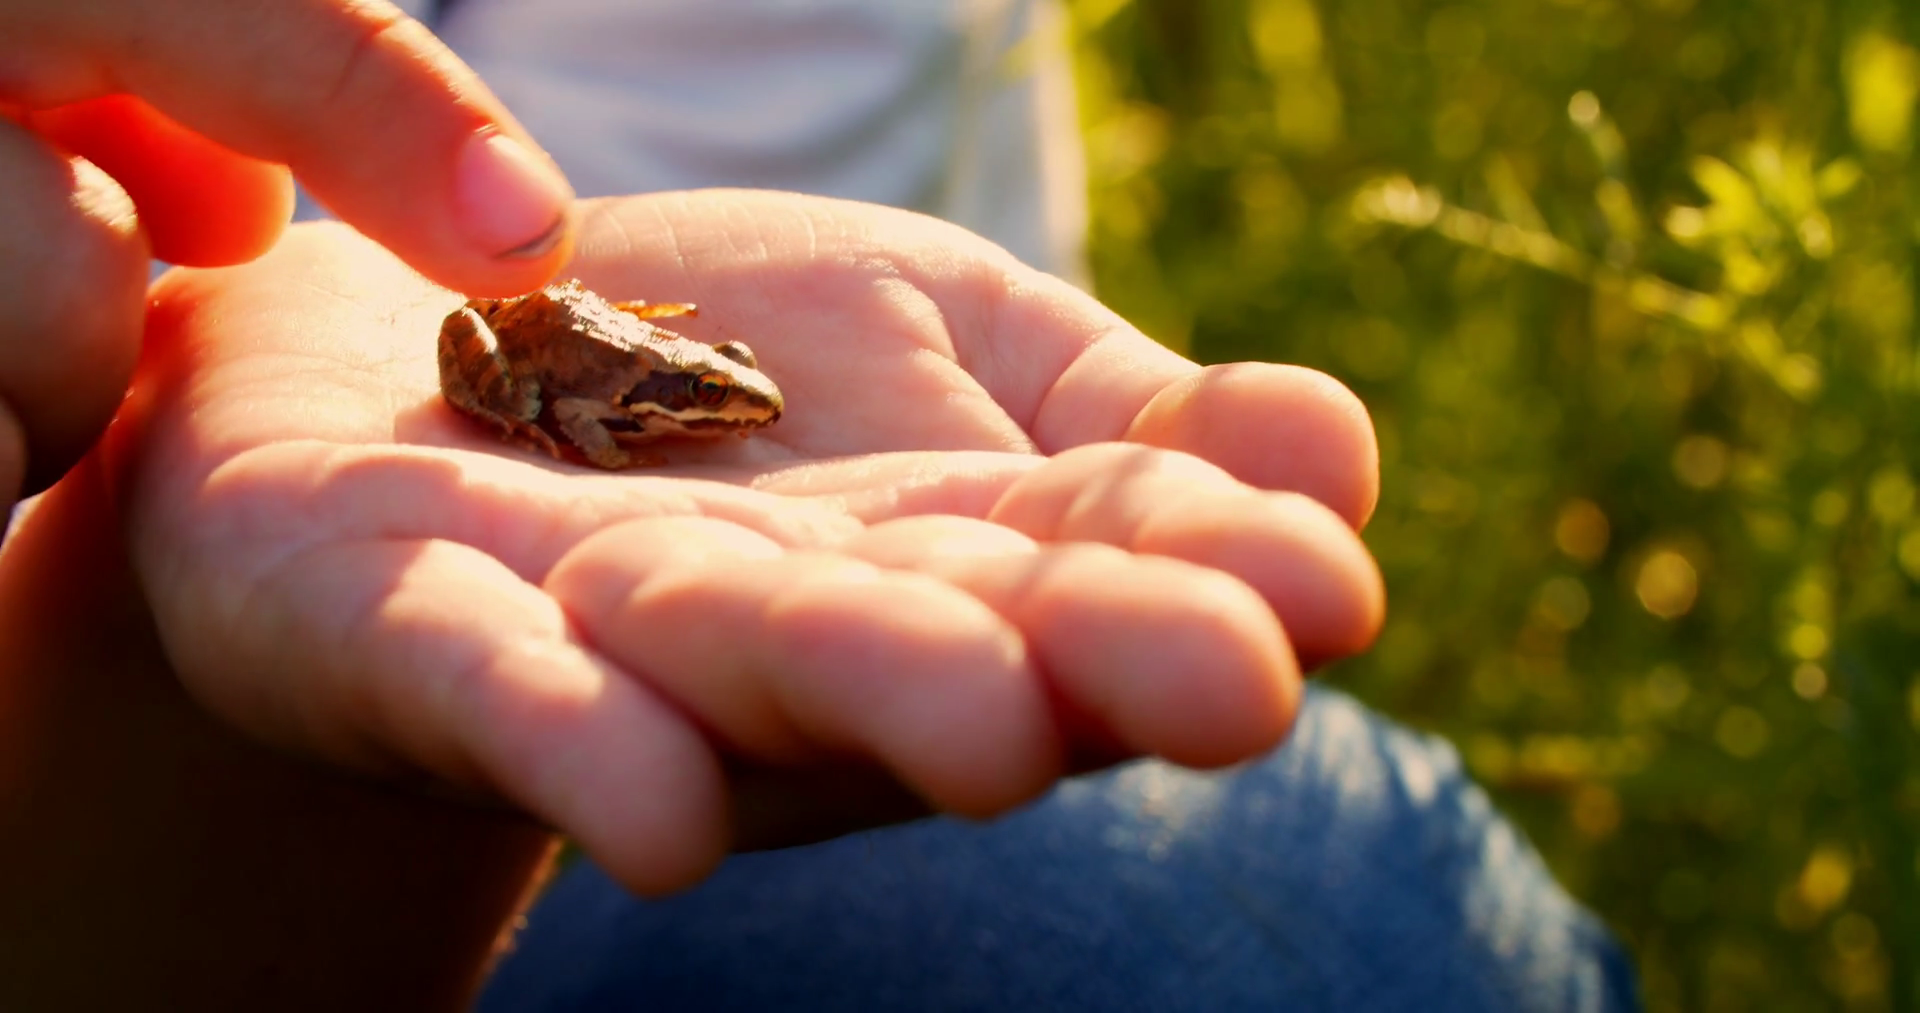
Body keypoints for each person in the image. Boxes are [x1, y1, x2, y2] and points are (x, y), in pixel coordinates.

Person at [0, 2, 1636, 1011]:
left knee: (1292, 899)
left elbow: (585, 237)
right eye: (708, 408)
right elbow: (550, 369)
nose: (728, 416)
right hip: (445, 402)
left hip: (220, 716)